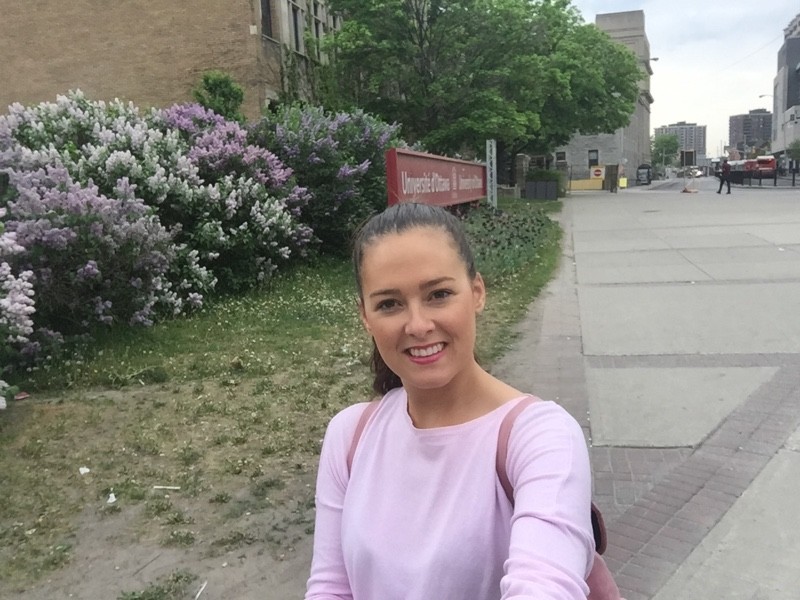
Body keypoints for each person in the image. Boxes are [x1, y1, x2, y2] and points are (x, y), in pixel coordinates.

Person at [305, 202, 595, 600]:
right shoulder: (349, 436)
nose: (418, 325)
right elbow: (331, 588)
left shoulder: (541, 439)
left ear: (477, 293)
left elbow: (545, 586)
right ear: (365, 317)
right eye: (389, 304)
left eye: (439, 294)